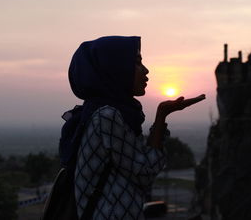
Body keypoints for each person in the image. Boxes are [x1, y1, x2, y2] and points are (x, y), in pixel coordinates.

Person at [60, 36, 205, 219]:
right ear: (115, 69)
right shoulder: (107, 116)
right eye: (137, 63)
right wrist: (161, 116)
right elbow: (145, 170)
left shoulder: (100, 113)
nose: (146, 71)